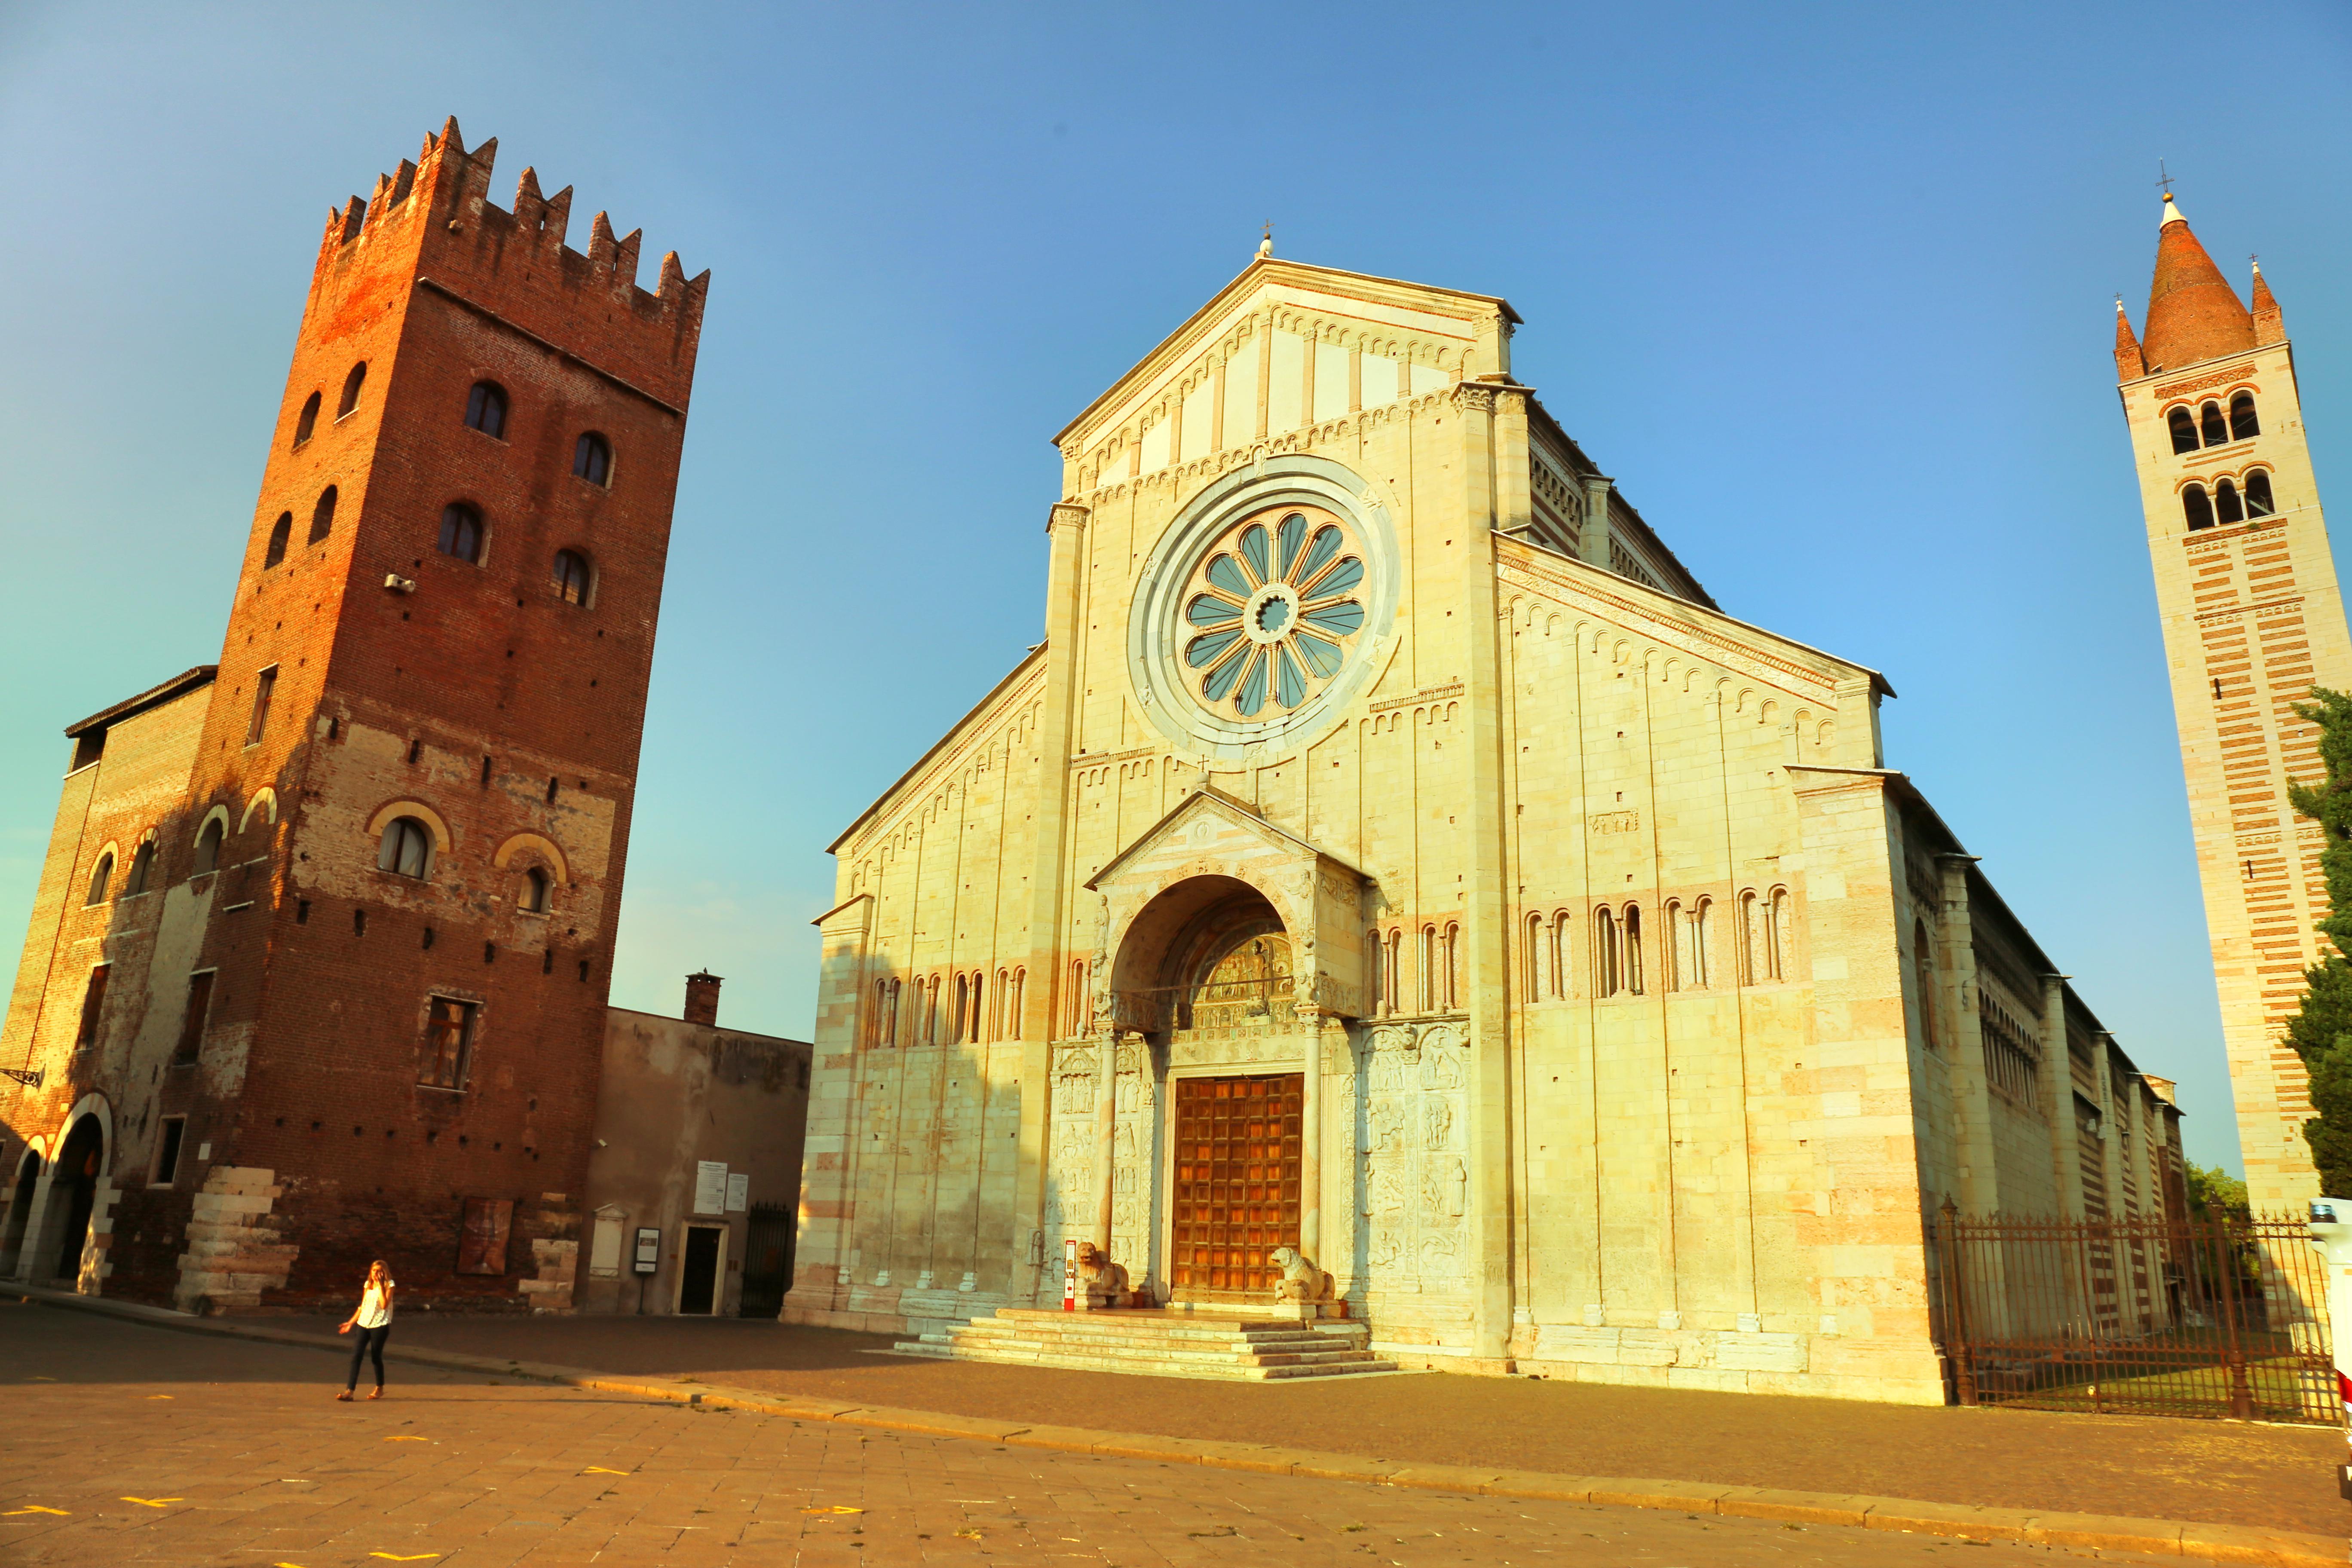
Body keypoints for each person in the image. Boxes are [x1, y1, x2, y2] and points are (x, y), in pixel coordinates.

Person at [336, 1259, 395, 1401]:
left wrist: (381, 1285)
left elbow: (384, 1305)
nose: (377, 1274)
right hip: (363, 1324)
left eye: (380, 1271)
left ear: (385, 1273)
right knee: (356, 1356)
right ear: (371, 1272)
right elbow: (363, 1305)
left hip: (380, 1325)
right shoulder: (368, 1285)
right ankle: (350, 1391)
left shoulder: (390, 1285)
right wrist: (351, 1322)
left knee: (376, 1357)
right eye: (374, 1271)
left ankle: (379, 1388)